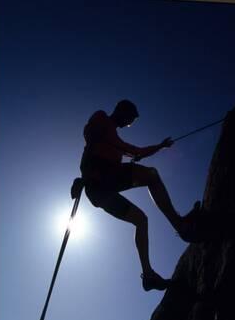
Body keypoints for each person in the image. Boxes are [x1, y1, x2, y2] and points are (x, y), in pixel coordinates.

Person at [79, 99, 201, 292]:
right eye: (129, 121)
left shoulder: (113, 139)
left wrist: (157, 147)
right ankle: (181, 226)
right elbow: (92, 138)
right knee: (151, 175)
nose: (128, 125)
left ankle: (148, 275)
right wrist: (84, 176)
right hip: (100, 180)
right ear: (122, 112)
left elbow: (132, 150)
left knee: (141, 220)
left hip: (101, 189)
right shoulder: (102, 119)